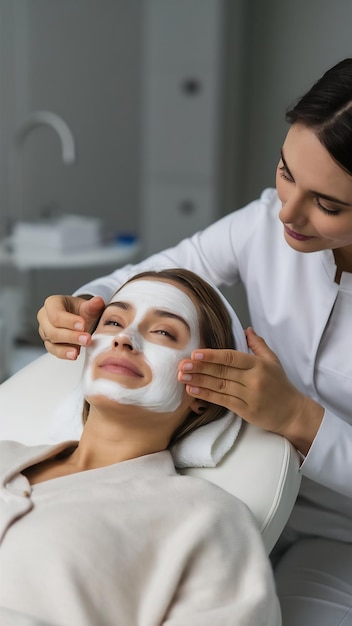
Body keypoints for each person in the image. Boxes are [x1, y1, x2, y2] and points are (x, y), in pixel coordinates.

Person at [37, 57, 352, 624]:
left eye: (328, 204)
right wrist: (83, 306)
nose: (288, 211)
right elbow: (148, 279)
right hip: (238, 487)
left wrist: (299, 419)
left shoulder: (199, 523)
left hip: (339, 536)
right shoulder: (264, 224)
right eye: (285, 172)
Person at [0, 269, 280, 626]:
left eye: (163, 332)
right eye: (113, 322)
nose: (125, 338)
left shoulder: (204, 517)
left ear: (205, 390)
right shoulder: (4, 453)